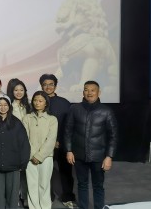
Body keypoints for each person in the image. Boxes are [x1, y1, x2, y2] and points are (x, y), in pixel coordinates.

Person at [65, 81, 117, 209]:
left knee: (98, 186)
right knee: (82, 184)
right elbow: (68, 131)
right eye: (86, 89)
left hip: (99, 156)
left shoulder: (106, 111)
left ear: (99, 92)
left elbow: (113, 136)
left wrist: (109, 157)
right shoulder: (74, 109)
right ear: (83, 92)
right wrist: (69, 150)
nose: (89, 93)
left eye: (92, 90)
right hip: (78, 155)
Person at [0, 96, 30, 209]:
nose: (3, 107)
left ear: (9, 107)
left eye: (5, 105)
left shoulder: (17, 123)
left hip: (13, 165)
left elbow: (24, 144)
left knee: (12, 196)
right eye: (0, 105)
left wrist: (23, 163)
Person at [39, 73, 75, 206]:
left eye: (51, 84)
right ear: (41, 86)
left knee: (66, 172)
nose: (48, 87)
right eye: (45, 84)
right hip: (43, 145)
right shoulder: (37, 102)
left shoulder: (64, 103)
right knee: (44, 173)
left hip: (61, 144)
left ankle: (68, 198)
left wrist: (60, 140)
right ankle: (47, 197)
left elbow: (69, 125)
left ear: (55, 86)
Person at [23, 91, 58, 209]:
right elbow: (25, 138)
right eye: (35, 100)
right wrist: (33, 155)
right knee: (31, 184)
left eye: (40, 101)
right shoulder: (27, 118)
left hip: (46, 157)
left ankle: (45, 207)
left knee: (44, 185)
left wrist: (39, 156)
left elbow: (51, 140)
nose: (37, 103)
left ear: (46, 103)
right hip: (30, 157)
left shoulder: (52, 119)